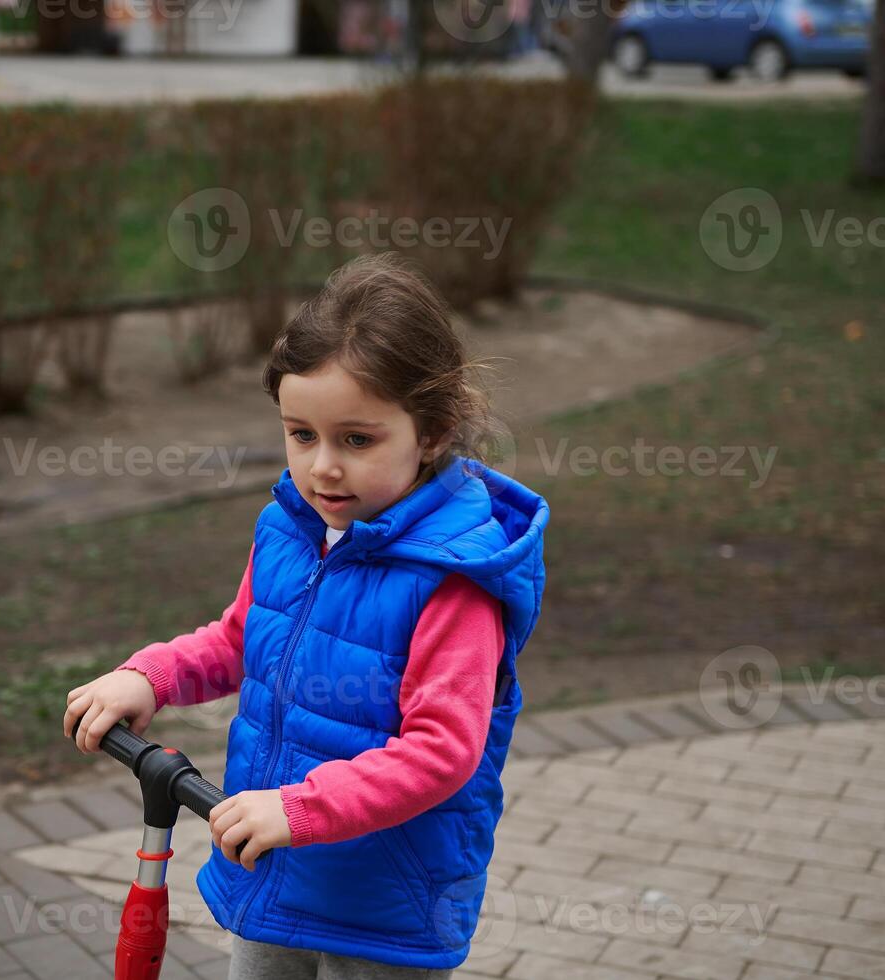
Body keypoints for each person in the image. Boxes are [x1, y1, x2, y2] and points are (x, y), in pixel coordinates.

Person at [63, 252, 549, 978]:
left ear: (435, 431)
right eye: (301, 434)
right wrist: (153, 676)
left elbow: (443, 751)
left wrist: (299, 810)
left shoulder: (455, 582)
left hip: (383, 898)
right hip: (271, 865)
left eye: (357, 440)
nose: (322, 467)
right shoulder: (291, 530)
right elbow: (239, 639)